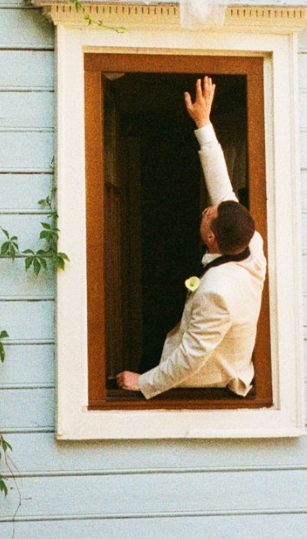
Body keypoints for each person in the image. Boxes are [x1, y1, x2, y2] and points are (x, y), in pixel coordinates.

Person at [113, 75, 266, 399]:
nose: (208, 208)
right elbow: (222, 188)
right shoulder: (249, 242)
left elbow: (191, 358)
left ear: (210, 237)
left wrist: (144, 382)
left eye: (209, 214)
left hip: (208, 379)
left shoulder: (217, 291)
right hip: (191, 346)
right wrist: (203, 122)